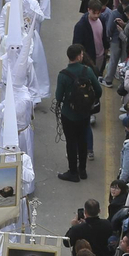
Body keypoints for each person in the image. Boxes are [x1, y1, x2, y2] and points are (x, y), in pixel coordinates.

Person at [56, 44, 101, 181]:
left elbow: (58, 97)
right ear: (78, 56)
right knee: (82, 141)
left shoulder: (63, 75)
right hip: (84, 113)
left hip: (69, 114)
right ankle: (83, 170)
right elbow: (98, 90)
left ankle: (73, 172)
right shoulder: (87, 71)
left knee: (71, 142)